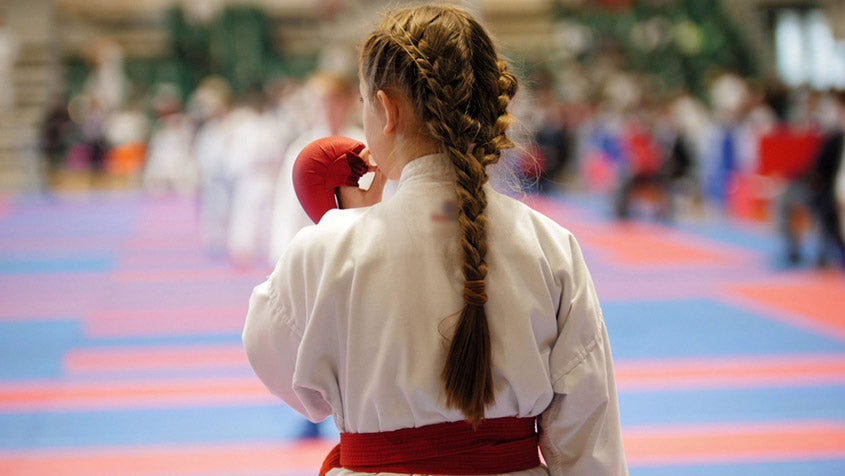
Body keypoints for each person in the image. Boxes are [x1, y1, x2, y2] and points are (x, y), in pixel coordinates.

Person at [243, 5, 627, 476]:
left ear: (386, 109)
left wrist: (347, 227)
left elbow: (296, 384)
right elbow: (589, 440)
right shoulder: (551, 246)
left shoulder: (325, 248)